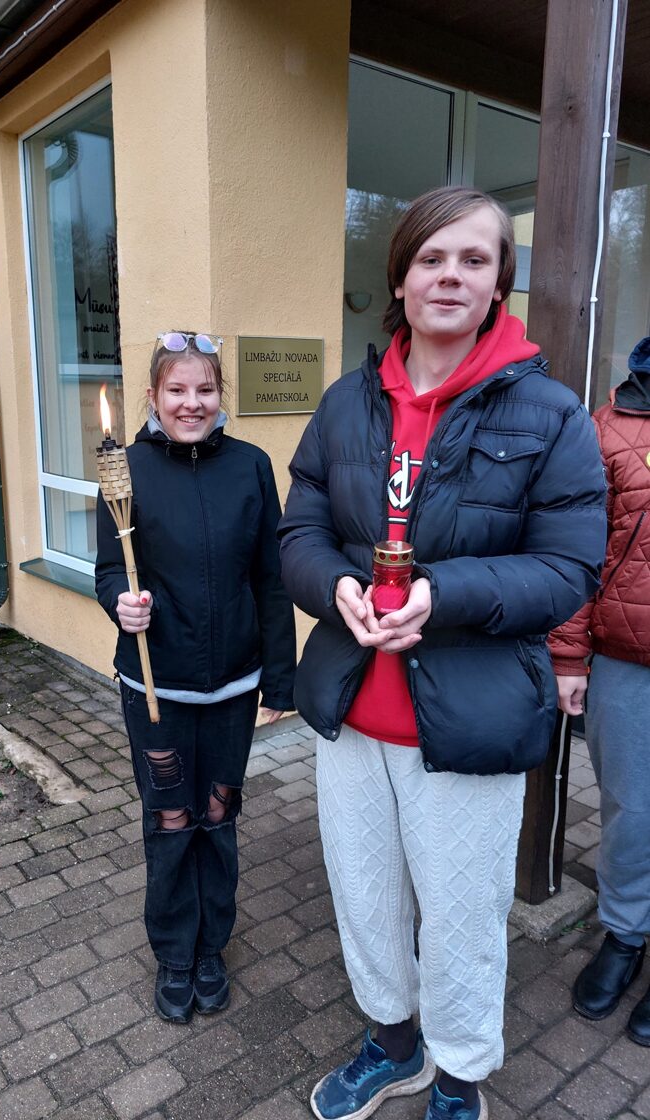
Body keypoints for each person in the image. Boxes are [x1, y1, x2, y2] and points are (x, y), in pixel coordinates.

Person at [278, 187, 607, 1120]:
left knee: (463, 915)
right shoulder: (346, 403)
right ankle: (393, 1044)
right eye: (431, 258)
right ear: (401, 277)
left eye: (474, 259)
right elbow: (299, 530)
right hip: (353, 712)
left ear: (501, 280)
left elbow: (568, 568)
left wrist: (442, 594)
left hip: (468, 720)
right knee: (366, 897)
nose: (450, 276)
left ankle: (459, 1078)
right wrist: (333, 589)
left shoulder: (550, 413)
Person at [95, 330, 296, 1024]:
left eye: (204, 389)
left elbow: (271, 577)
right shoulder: (124, 470)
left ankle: (213, 947)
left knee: (217, 815)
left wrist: (281, 678)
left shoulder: (251, 466)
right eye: (176, 389)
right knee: (171, 818)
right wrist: (119, 602)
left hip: (234, 687)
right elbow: (110, 568)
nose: (192, 403)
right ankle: (176, 954)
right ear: (153, 396)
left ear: (220, 395)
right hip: (157, 686)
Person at [548, 334, 650, 1048]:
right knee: (631, 811)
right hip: (628, 659)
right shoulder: (609, 426)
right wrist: (569, 654)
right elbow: (580, 549)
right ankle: (625, 932)